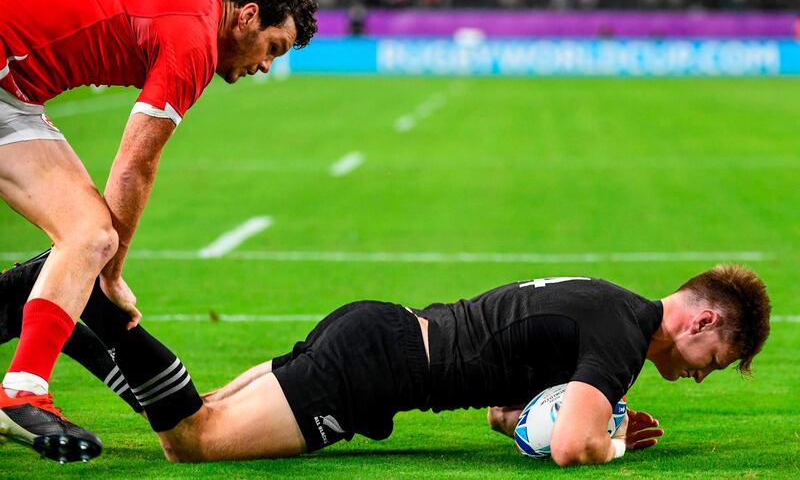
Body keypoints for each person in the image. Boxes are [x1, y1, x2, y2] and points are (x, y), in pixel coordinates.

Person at [0, 0, 318, 460]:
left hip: (15, 96)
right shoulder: (194, 43)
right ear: (245, 15)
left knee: (89, 237)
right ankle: (23, 391)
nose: (267, 65)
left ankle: (23, 388)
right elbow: (133, 164)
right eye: (274, 47)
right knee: (95, 241)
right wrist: (113, 278)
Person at [0, 252, 771, 466]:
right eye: (715, 356)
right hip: (374, 367)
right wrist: (606, 440)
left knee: (180, 421)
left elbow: (514, 415)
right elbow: (572, 447)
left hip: (379, 335)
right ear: (702, 318)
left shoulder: (605, 303)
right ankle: (89, 306)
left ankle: (69, 323)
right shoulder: (622, 335)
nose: (701, 372)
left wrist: (546, 424)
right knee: (189, 440)